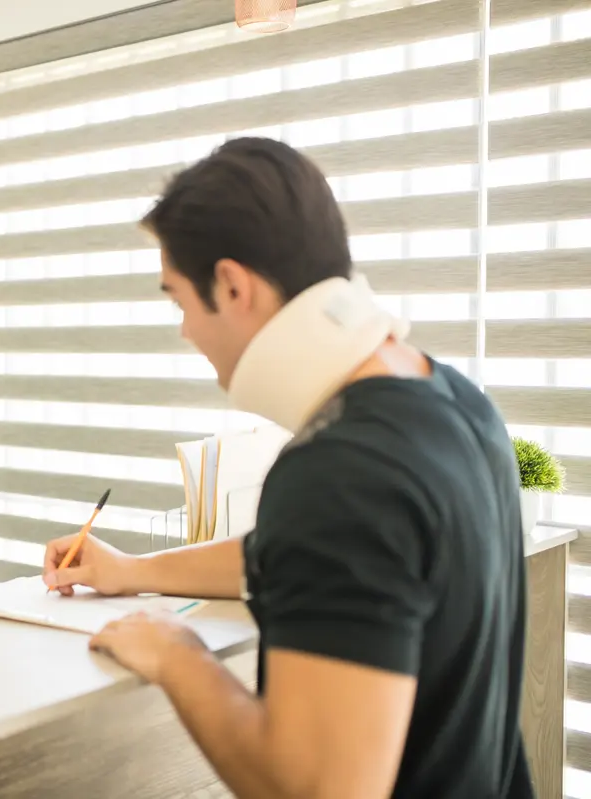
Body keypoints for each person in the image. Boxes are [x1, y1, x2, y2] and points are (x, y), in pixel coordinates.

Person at [43, 138, 533, 798]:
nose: (185, 330)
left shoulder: (339, 472)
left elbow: (318, 790)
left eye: (180, 300)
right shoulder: (456, 401)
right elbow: (328, 558)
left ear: (234, 285)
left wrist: (176, 656)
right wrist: (131, 570)